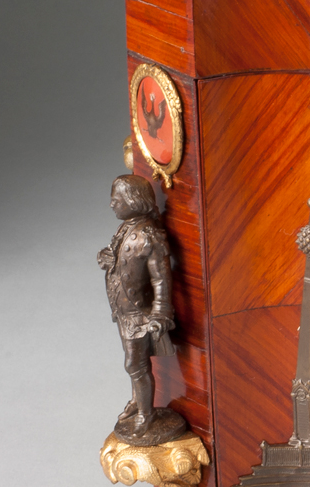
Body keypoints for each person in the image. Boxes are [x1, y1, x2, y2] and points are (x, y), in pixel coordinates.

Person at [98, 175, 176, 436]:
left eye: (117, 199)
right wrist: (107, 258)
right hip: (123, 312)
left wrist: (161, 311)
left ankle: (146, 413)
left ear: (134, 201)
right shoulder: (125, 229)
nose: (112, 204)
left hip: (139, 315)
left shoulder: (148, 235)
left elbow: (160, 278)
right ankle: (137, 401)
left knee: (135, 365)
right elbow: (119, 258)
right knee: (134, 363)